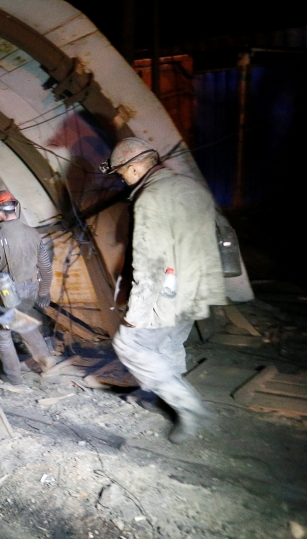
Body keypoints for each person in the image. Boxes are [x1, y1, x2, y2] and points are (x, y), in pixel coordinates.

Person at [100, 137, 225, 443]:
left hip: (167, 295)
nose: (122, 179)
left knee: (130, 345)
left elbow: (150, 265)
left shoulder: (151, 198)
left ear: (133, 167)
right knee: (168, 344)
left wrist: (136, 315)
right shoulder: (192, 187)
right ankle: (173, 404)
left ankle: (189, 407)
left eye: (121, 173)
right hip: (196, 288)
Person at [0, 190, 63, 385]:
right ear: (14, 208)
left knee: (2, 333)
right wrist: (44, 291)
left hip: (8, 294)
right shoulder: (33, 233)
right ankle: (48, 361)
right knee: (22, 322)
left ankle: (13, 377)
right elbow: (45, 266)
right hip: (30, 290)